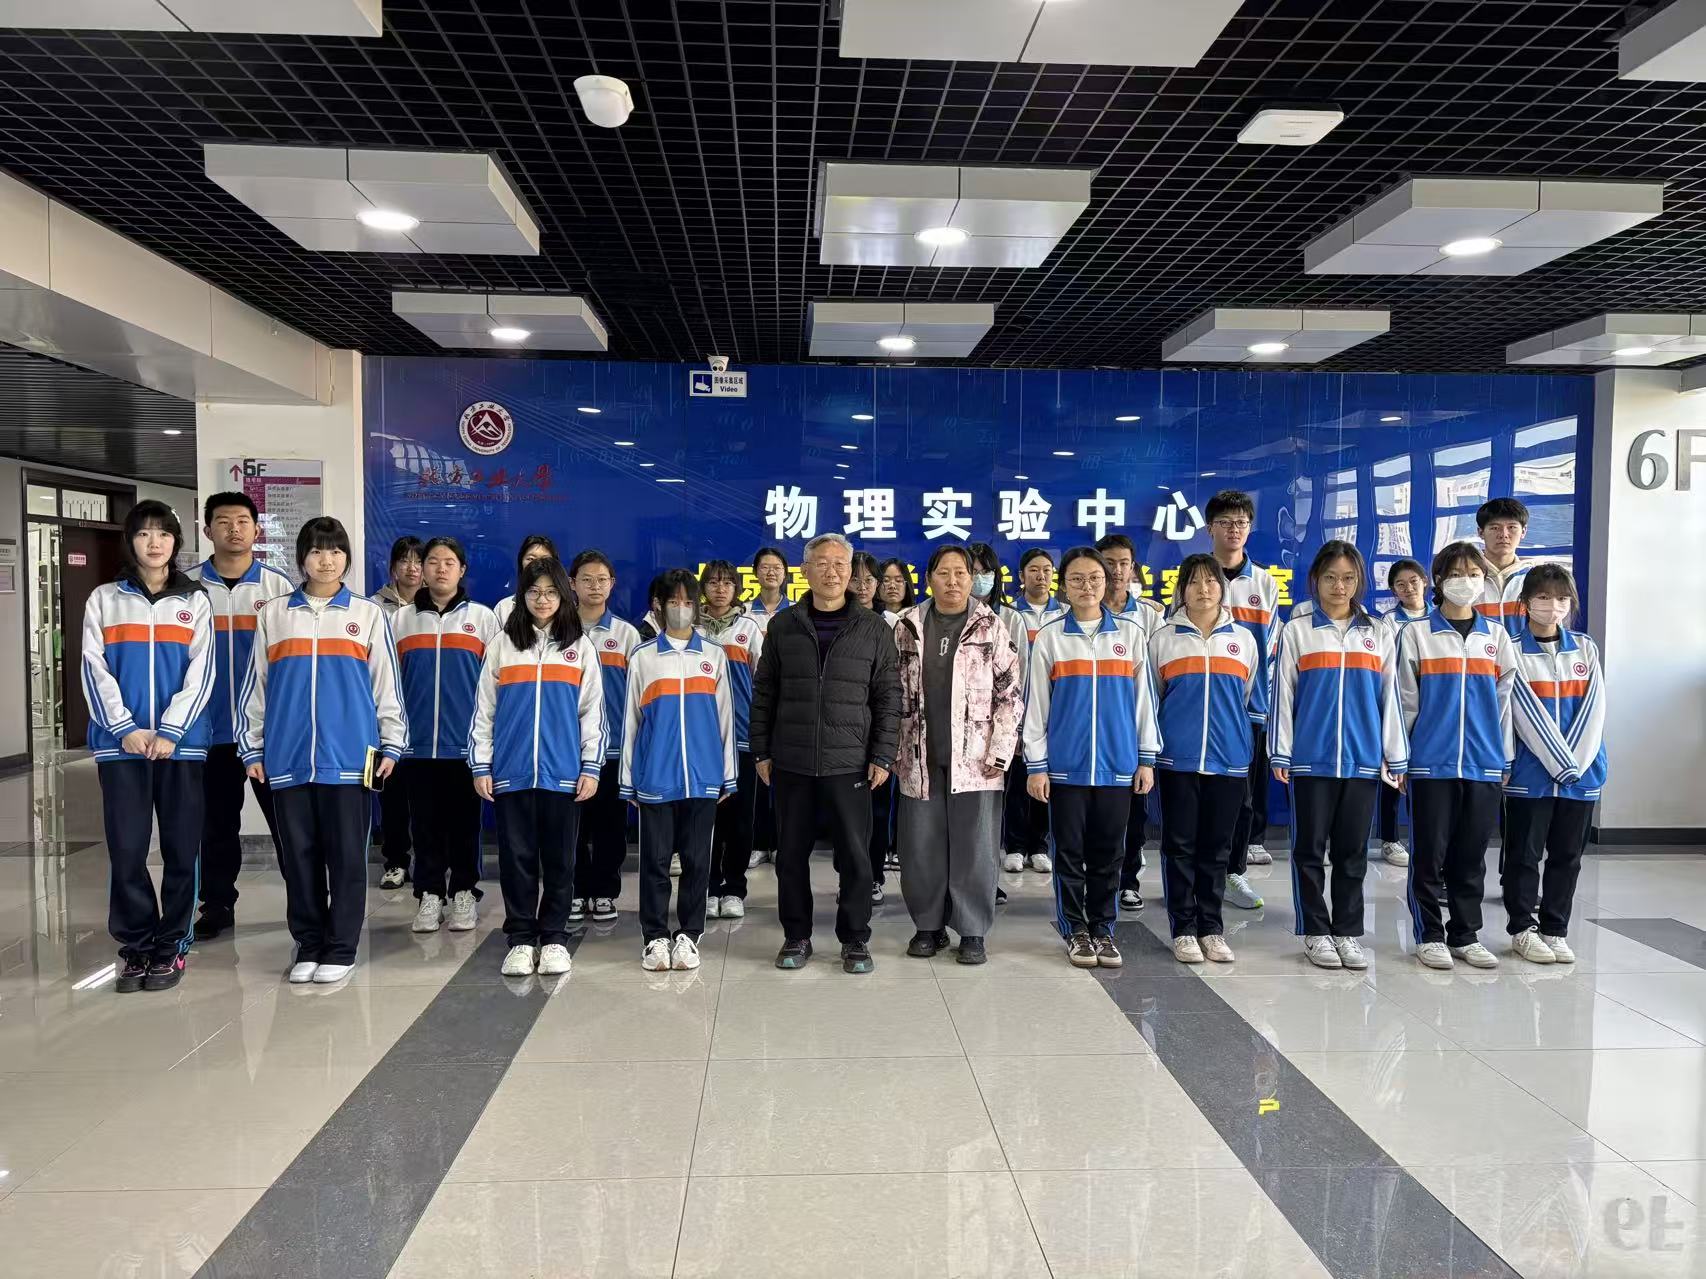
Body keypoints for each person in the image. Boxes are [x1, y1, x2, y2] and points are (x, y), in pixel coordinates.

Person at [241, 517, 406, 985]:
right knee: (299, 858)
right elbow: (256, 687)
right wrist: (253, 747)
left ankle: (341, 947)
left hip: (351, 758)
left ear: (346, 559)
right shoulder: (275, 614)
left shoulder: (367, 614)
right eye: (316, 551)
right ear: (302, 558)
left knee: (348, 857)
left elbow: (386, 686)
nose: (326, 560)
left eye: (335, 551)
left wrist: (391, 743)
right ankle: (309, 943)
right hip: (287, 756)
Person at [749, 532, 901, 973]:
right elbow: (765, 692)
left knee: (855, 857)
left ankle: (855, 939)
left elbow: (889, 697)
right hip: (792, 760)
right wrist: (761, 750)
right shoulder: (784, 626)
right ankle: (796, 936)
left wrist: (883, 754)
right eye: (822, 563)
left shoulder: (873, 628)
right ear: (805, 571)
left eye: (840, 564)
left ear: (850, 572)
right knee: (790, 857)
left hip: (850, 762)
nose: (832, 572)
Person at [84, 500, 214, 992]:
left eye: (163, 534)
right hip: (122, 748)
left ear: (176, 543)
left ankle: (172, 944)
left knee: (182, 848)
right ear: (131, 541)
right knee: (127, 848)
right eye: (144, 534)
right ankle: (136, 945)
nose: (154, 542)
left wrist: (172, 730)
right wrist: (124, 728)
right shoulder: (104, 599)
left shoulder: (195, 600)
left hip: (181, 747)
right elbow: (93, 668)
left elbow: (203, 671)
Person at [1269, 542, 1408, 971]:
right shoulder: (1298, 630)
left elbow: (1391, 697)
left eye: (1348, 578)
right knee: (1309, 850)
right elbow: (1283, 694)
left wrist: (1395, 755)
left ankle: (1347, 931)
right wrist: (1281, 752)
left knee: (1353, 851)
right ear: (1316, 580)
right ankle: (1315, 931)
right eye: (1330, 577)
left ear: (1359, 581)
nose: (1339, 586)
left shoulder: (1379, 631)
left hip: (1362, 759)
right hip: (1311, 758)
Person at [1024, 546, 1157, 969]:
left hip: (1118, 766)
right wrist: (1037, 765)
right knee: (1068, 853)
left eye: (1094, 578)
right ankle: (1075, 930)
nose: (1087, 586)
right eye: (1077, 579)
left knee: (1109, 854)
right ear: (1064, 586)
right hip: (1067, 768)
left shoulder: (1130, 635)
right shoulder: (1051, 638)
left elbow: (1144, 703)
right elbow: (1036, 706)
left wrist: (1146, 759)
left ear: (1109, 581)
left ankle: (1103, 928)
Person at [470, 556, 604, 977]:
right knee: (517, 860)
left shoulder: (580, 647)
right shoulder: (502, 645)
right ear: (522, 596)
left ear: (563, 595)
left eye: (550, 592)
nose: (542, 600)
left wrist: (590, 766)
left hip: (563, 774)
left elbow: (592, 713)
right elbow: (484, 711)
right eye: (533, 592)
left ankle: (554, 938)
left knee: (561, 861)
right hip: (511, 772)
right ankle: (521, 939)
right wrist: (481, 764)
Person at [892, 545, 1023, 964]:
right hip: (919, 755)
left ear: (972, 578)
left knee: (975, 845)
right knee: (921, 845)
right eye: (943, 573)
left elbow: (1010, 694)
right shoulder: (906, 625)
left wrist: (1000, 752)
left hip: (977, 760)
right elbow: (889, 692)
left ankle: (972, 930)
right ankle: (928, 926)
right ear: (928, 578)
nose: (952, 581)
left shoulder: (990, 625)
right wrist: (891, 749)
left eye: (961, 573)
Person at [1394, 541, 1517, 971]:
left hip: (1483, 763)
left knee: (1471, 856)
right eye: (1457, 574)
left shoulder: (1496, 637)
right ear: (1439, 580)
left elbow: (1505, 704)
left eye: (1474, 574)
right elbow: (1405, 701)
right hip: (1431, 762)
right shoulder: (1417, 634)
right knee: (1428, 856)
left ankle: (1465, 934)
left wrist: (1503, 758)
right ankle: (1429, 935)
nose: (1466, 581)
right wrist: (1402, 758)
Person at [1149, 554, 1264, 964]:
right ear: (1181, 589)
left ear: (1222, 587)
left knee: (1217, 848)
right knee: (1179, 846)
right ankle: (1183, 928)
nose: (1203, 589)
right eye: (1194, 582)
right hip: (1177, 759)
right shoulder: (1163, 639)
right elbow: (1154, 698)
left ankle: (1211, 928)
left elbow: (1248, 697)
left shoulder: (1244, 640)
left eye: (1211, 581)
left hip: (1228, 759)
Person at [622, 569, 737, 971]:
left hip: (703, 777)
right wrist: (628, 780)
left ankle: (689, 934)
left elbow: (726, 717)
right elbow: (631, 722)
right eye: (674, 601)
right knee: (654, 862)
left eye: (689, 602)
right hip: (656, 776)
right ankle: (654, 936)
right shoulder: (643, 657)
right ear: (658, 605)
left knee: (697, 862)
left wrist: (727, 774)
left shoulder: (714, 655)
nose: (682, 609)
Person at [193, 491, 292, 940]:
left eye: (242, 521)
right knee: (215, 825)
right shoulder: (188, 588)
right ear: (207, 529)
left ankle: (306, 901)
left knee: (288, 824)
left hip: (267, 733)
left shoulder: (277, 588)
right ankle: (216, 905)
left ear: (257, 530)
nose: (234, 529)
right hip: (208, 731)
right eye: (223, 521)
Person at [393, 537, 499, 935]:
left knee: (465, 825)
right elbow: (387, 684)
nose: (440, 568)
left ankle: (464, 891)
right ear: (422, 569)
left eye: (449, 562)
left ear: (462, 570)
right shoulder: (401, 620)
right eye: (433, 561)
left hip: (465, 746)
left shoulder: (483, 619)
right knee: (423, 825)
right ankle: (430, 893)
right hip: (416, 745)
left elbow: (495, 685)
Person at [1503, 565, 1606, 965]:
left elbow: (1594, 709)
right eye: (1543, 597)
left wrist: (1572, 765)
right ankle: (1522, 929)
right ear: (1526, 602)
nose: (1553, 606)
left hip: (1581, 774)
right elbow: (1521, 711)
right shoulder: (1511, 648)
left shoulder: (1585, 647)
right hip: (1531, 774)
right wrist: (1560, 762)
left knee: (1568, 856)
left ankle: (1555, 929)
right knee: (1523, 856)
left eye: (1562, 598)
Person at [1204, 490, 1279, 911]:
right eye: (1225, 522)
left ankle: (1233, 873)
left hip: (1248, 708)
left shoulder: (1263, 583)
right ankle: (1195, 874)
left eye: (1241, 523)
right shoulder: (1196, 576)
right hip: (1200, 706)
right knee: (1199, 796)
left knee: (1243, 797)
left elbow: (1270, 650)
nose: (1234, 530)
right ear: (1210, 528)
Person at [568, 550, 641, 925]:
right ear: (572, 584)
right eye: (586, 579)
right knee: (572, 827)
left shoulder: (626, 634)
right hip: (567, 750)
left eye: (602, 579)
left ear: (612, 585)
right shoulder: (559, 631)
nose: (594, 586)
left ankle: (604, 892)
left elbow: (638, 696)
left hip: (612, 750)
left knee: (610, 827)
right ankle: (576, 891)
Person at [1097, 532, 1166, 911]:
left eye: (1124, 563)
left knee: (1135, 812)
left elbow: (1155, 677)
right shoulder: (1082, 613)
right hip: (1095, 728)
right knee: (1096, 816)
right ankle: (1094, 882)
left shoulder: (1150, 616)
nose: (1117, 571)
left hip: (1135, 728)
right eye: (1109, 563)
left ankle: (1128, 881)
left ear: (1133, 568)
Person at [699, 560, 766, 918]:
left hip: (741, 737)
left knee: (740, 819)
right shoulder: (691, 628)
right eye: (713, 582)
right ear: (703, 588)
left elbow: (763, 683)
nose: (720, 589)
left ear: (737, 589)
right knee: (705, 818)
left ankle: (734, 889)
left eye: (727, 583)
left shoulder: (748, 628)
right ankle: (708, 887)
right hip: (701, 739)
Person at [370, 536, 423, 889]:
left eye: (418, 561)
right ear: (392, 568)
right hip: (384, 715)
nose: (412, 568)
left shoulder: (432, 609)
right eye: (405, 560)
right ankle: (395, 861)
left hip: (422, 714)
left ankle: (428, 860)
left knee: (426, 797)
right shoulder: (374, 607)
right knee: (391, 793)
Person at [1005, 547, 1062, 876]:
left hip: (1053, 711)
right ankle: (1014, 846)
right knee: (1016, 781)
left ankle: (1039, 846)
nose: (1041, 576)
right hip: (1017, 710)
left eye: (1046, 570)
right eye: (1034, 570)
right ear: (1021, 576)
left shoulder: (1065, 614)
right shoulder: (1012, 615)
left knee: (1044, 779)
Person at [1376, 558, 1430, 867]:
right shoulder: (1388, 622)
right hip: (1397, 702)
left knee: (1425, 778)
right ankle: (1389, 838)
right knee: (1394, 772)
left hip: (1432, 704)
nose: (1408, 588)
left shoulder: (1440, 617)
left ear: (1425, 582)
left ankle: (1423, 838)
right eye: (1400, 584)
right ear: (1393, 590)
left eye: (1413, 581)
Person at [852, 551, 900, 898]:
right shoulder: (835, 620)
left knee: (879, 808)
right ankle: (850, 875)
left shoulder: (894, 624)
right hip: (845, 730)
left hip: (880, 727)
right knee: (847, 813)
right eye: (856, 579)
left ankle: (873, 876)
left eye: (870, 579)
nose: (863, 586)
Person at [1476, 497, 1532, 635]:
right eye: (1495, 528)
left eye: (1512, 527)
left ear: (1523, 531)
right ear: (1481, 532)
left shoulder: (1534, 580)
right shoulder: (1466, 578)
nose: (1504, 535)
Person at [492, 534, 560, 626]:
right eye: (531, 559)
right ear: (521, 563)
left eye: (545, 559)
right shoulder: (504, 608)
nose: (537, 564)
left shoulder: (566, 606)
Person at [747, 546, 791, 630]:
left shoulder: (797, 611)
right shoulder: (744, 611)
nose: (771, 573)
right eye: (765, 567)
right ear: (755, 572)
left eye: (777, 568)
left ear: (784, 573)